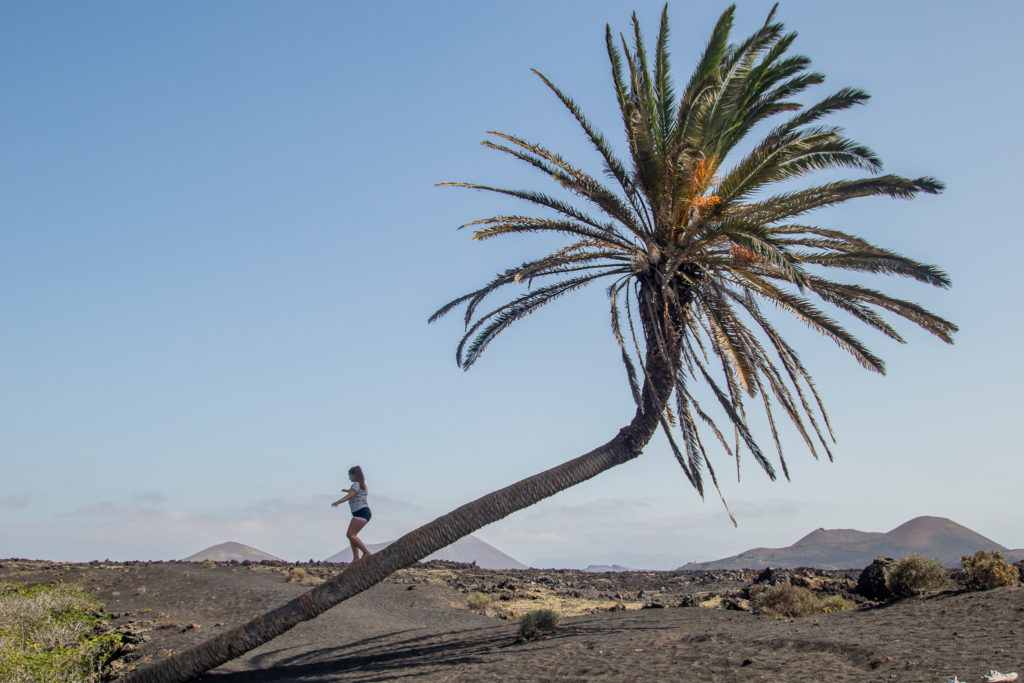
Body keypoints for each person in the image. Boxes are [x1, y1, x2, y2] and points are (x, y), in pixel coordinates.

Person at [331, 466, 372, 562]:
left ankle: (366, 552)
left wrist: (338, 502)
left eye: (350, 476)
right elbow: (354, 492)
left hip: (360, 512)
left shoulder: (355, 485)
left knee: (350, 535)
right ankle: (356, 558)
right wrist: (347, 490)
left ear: (355, 475)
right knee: (352, 535)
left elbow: (351, 495)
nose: (349, 478)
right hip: (364, 512)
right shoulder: (363, 485)